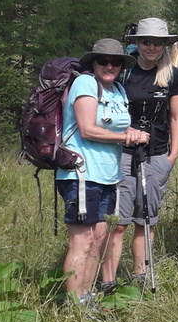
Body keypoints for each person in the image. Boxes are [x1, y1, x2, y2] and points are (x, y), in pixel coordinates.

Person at [57, 39, 149, 308]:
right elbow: (87, 129)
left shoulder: (118, 89)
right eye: (103, 61)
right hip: (81, 174)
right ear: (93, 63)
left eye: (116, 62)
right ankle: (73, 304)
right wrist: (126, 138)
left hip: (108, 176)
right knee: (82, 240)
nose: (110, 66)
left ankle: (87, 297)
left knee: (98, 239)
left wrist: (132, 132)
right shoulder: (85, 84)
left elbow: (117, 126)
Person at [101, 18, 178, 292]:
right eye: (146, 41)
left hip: (157, 154)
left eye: (157, 42)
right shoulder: (123, 73)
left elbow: (176, 117)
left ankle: (140, 277)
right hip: (122, 153)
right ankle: (108, 282)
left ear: (164, 45)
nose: (151, 47)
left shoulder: (172, 76)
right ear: (137, 43)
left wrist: (172, 156)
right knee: (118, 222)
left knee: (145, 221)